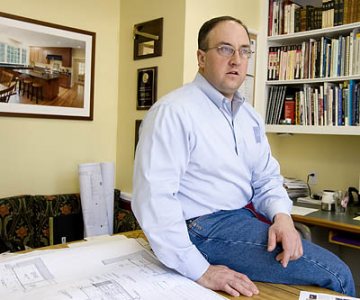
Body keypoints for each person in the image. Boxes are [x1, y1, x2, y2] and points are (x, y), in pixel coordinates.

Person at [132, 16, 356, 297]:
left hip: (241, 218)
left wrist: (282, 217)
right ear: (201, 58)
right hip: (201, 226)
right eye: (225, 49)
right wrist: (201, 271)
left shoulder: (249, 116)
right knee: (338, 275)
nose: (237, 59)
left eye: (244, 50)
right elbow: (153, 199)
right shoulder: (173, 112)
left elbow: (266, 178)